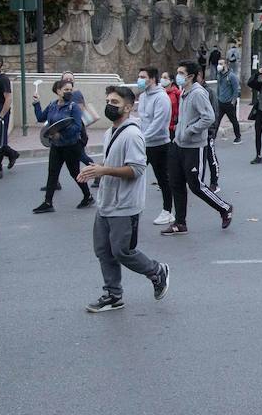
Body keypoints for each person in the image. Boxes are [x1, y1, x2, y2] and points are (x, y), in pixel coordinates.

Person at [79, 86, 170, 313]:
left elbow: (136, 169)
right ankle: (113, 295)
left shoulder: (133, 134)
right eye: (108, 100)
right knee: (103, 250)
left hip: (125, 205)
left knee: (122, 251)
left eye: (115, 102)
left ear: (128, 108)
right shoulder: (111, 132)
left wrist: (104, 171)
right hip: (106, 203)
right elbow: (109, 164)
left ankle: (157, 271)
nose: (109, 105)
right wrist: (93, 170)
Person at [162, 61, 233, 235]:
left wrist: (189, 131)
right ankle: (180, 223)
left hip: (194, 146)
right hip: (179, 144)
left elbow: (208, 117)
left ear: (190, 76)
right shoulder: (185, 92)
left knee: (196, 185)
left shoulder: (198, 93)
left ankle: (225, 208)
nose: (177, 75)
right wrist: (179, 133)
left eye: (181, 72)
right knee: (176, 183)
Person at [32, 78, 94, 213]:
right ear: (58, 91)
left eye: (71, 90)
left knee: (75, 173)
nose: (69, 92)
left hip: (71, 145)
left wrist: (61, 135)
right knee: (52, 173)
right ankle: (47, 202)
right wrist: (36, 103)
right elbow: (41, 118)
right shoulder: (52, 105)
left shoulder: (74, 107)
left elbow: (77, 127)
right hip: (56, 146)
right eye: (66, 90)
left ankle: (88, 196)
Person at [135, 68, 174, 226]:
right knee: (134, 175)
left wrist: (142, 138)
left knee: (163, 179)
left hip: (159, 145)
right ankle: (133, 208)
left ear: (152, 79)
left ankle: (168, 211)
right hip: (144, 144)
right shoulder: (143, 96)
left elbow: (158, 123)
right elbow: (142, 119)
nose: (139, 79)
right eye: (139, 76)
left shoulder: (161, 98)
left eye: (142, 77)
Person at [215, 59, 242, 143]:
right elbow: (219, 87)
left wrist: (233, 101)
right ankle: (213, 137)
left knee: (233, 120)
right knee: (216, 120)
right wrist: (218, 98)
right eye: (219, 63)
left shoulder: (231, 76)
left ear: (226, 65)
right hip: (220, 102)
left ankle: (238, 136)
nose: (219, 65)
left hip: (229, 103)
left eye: (221, 63)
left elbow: (236, 90)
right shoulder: (219, 75)